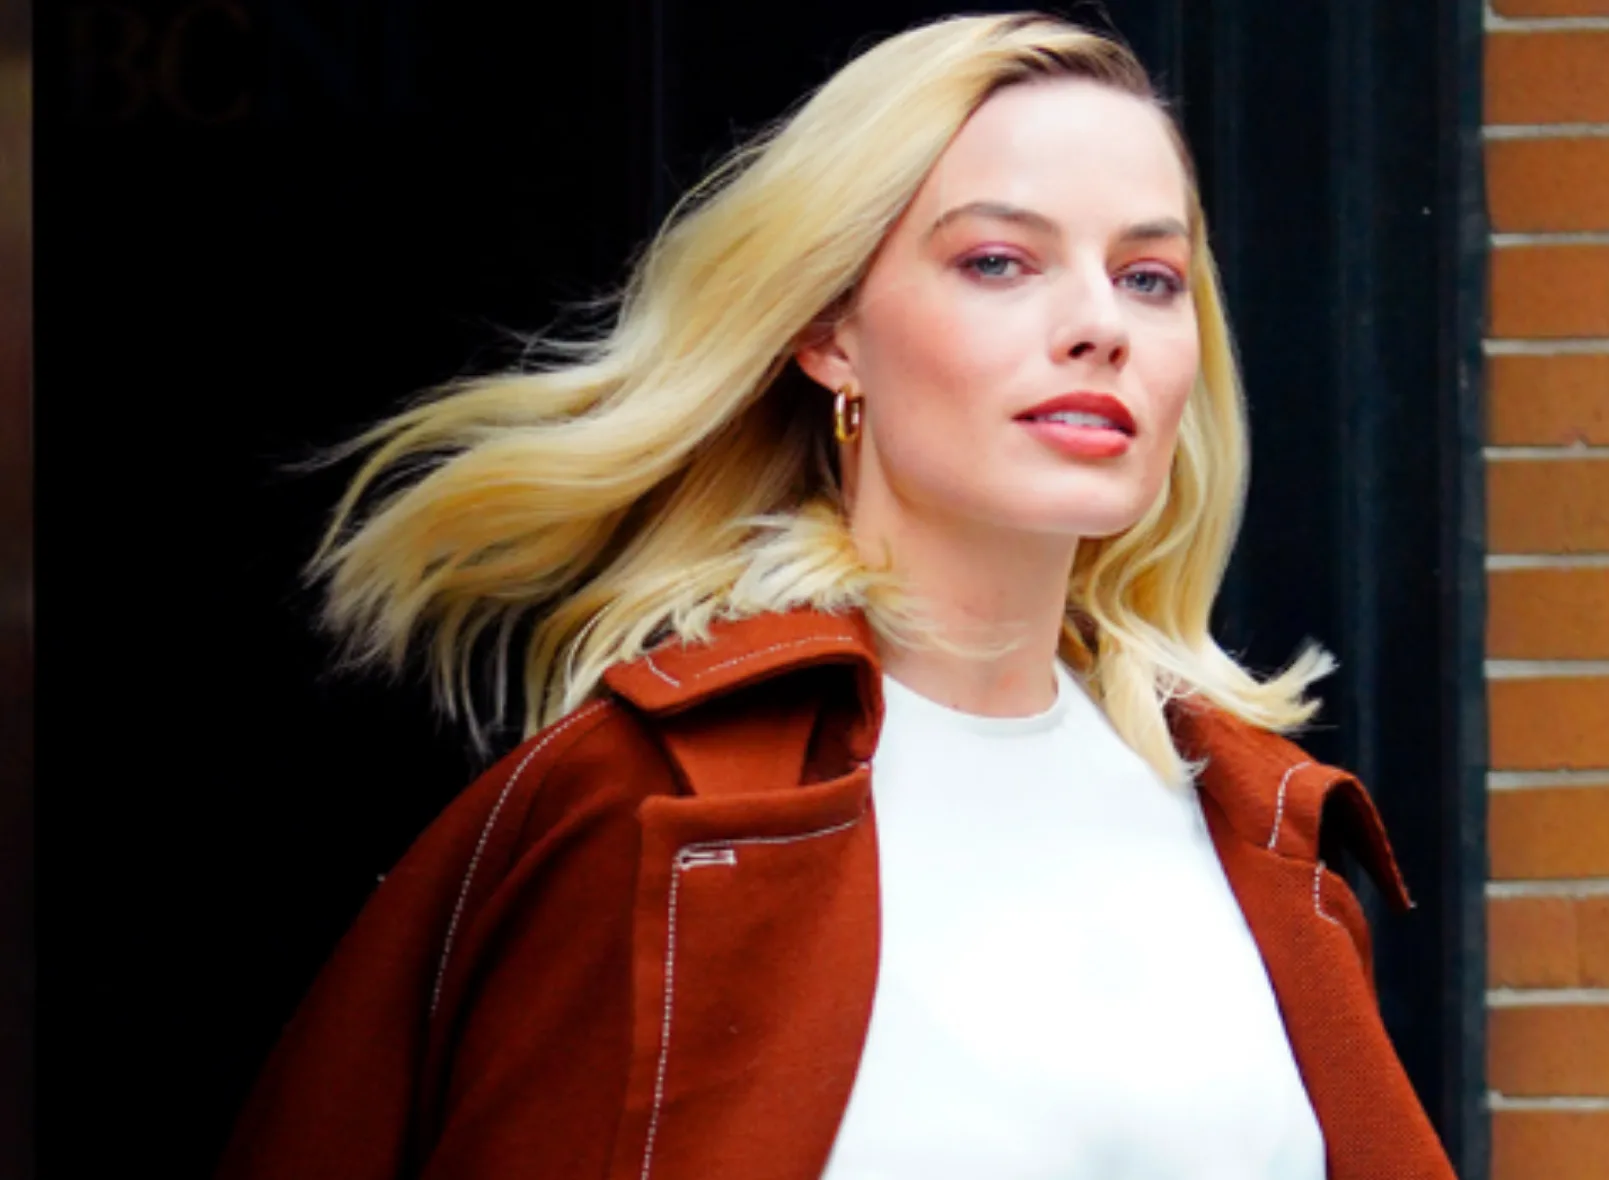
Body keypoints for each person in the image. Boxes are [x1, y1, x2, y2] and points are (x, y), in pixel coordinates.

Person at [216, 13, 1456, 1180]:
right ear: (830, 332)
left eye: (1149, 277)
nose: (1098, 324)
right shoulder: (660, 811)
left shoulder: (1256, 821)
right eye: (998, 260)